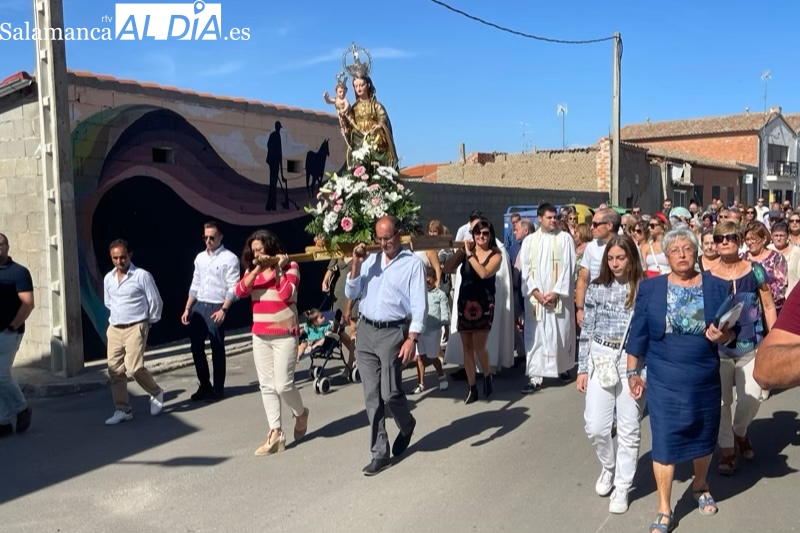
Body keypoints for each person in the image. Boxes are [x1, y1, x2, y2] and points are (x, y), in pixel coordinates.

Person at [626, 228, 734, 532]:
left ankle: (700, 485)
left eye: (687, 249)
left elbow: (734, 329)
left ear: (697, 252)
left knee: (703, 433)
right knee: (664, 439)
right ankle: (664, 507)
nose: (682, 255)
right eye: (675, 250)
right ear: (667, 255)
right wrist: (633, 372)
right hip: (663, 376)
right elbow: (638, 333)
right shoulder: (651, 288)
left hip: (703, 375)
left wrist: (724, 335)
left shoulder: (717, 287)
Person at [345, 215, 427, 475]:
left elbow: (419, 305)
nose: (383, 244)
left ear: (398, 235)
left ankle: (407, 424)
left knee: (391, 393)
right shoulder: (370, 261)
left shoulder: (413, 265)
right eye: (378, 239)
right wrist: (356, 268)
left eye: (387, 238)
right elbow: (352, 294)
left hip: (394, 332)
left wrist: (412, 338)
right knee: (371, 396)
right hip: (367, 330)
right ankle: (379, 453)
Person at [576, 235, 644, 514]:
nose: (615, 263)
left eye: (621, 257)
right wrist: (582, 367)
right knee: (595, 426)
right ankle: (609, 466)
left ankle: (623, 486)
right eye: (611, 258)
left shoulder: (643, 288)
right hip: (600, 357)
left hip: (633, 360)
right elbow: (587, 330)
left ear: (631, 258)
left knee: (629, 428)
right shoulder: (596, 288)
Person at [235, 229, 309, 456]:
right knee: (266, 385)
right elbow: (240, 291)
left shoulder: (290, 267)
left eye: (260, 249)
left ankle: (300, 413)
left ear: (271, 247)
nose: (256, 253)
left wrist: (278, 269)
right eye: (253, 250)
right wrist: (256, 267)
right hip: (260, 334)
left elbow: (287, 294)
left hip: (285, 332)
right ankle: (275, 432)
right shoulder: (252, 271)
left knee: (283, 384)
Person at [102, 239, 165, 426]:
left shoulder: (142, 276)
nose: (119, 261)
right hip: (115, 328)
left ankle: (155, 392)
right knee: (115, 370)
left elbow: (155, 301)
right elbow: (108, 302)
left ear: (130, 255)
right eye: (115, 258)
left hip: (136, 325)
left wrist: (148, 323)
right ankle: (123, 409)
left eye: (122, 257)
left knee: (135, 367)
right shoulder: (108, 279)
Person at [443, 217, 503, 403]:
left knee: (479, 346)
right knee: (466, 348)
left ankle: (486, 374)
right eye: (478, 233)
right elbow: (447, 268)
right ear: (473, 234)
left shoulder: (495, 255)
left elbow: (484, 273)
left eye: (485, 233)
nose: (481, 236)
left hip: (484, 303)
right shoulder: (466, 251)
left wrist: (470, 255)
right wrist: (461, 251)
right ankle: (472, 388)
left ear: (490, 235)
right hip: (465, 301)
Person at [519, 203, 577, 393]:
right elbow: (525, 270)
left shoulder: (565, 239)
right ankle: (535, 376)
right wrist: (535, 291)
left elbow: (569, 267)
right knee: (535, 336)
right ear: (539, 218)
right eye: (549, 217)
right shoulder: (529, 241)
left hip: (557, 298)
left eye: (555, 217)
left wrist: (556, 292)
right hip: (536, 299)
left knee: (560, 332)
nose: (553, 221)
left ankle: (561, 369)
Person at [182, 221, 240, 403]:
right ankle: (204, 384)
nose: (208, 241)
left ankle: (218, 388)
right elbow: (195, 283)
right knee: (196, 346)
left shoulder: (230, 258)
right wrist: (187, 307)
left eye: (212, 237)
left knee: (217, 347)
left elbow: (233, 287)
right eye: (205, 237)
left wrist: (224, 309)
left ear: (220, 237)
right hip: (199, 305)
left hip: (217, 306)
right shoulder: (200, 258)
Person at [0, 233, 34, 436]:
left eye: (0, 245)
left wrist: (13, 326)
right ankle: (3, 422)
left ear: (7, 247)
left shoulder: (19, 272)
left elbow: (28, 303)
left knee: (1, 375)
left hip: (9, 333)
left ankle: (21, 407)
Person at [411, 266, 450, 394]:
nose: (427, 282)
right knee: (420, 357)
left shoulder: (440, 294)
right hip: (420, 329)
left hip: (434, 330)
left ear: (434, 279)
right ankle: (421, 383)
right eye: (424, 279)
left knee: (433, 357)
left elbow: (444, 310)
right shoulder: (418, 294)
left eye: (429, 279)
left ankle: (441, 376)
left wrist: (445, 325)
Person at [346, 75, 399, 168]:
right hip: (359, 138)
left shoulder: (376, 105)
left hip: (374, 137)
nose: (358, 89)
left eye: (361, 85)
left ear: (368, 85)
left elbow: (383, 117)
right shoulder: (354, 108)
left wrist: (379, 125)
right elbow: (349, 123)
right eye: (356, 86)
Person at [323, 72, 353, 141]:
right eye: (340, 91)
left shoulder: (345, 100)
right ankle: (345, 131)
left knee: (348, 127)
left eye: (344, 92)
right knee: (343, 127)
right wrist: (325, 98)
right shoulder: (336, 100)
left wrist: (344, 110)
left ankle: (348, 131)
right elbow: (329, 101)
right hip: (341, 118)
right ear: (336, 91)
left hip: (348, 116)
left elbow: (347, 105)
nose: (342, 93)